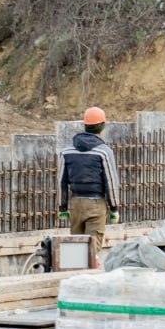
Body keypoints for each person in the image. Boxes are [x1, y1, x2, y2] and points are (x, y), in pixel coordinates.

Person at [57, 106, 121, 261]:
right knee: (92, 251)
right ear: (102, 126)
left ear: (85, 125)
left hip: (76, 204)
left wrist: (62, 207)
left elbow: (61, 182)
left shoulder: (66, 152)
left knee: (77, 248)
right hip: (96, 205)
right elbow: (111, 182)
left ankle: (76, 272)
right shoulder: (104, 152)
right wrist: (114, 208)